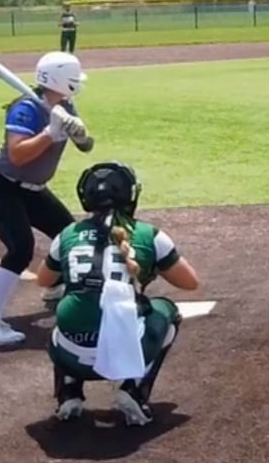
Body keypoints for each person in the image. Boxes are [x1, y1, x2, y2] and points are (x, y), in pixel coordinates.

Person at [35, 161, 200, 426]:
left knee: (69, 304)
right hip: (120, 353)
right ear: (130, 195)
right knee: (166, 310)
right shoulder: (148, 234)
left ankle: (69, 390)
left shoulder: (67, 235)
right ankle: (134, 389)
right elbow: (190, 282)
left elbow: (43, 280)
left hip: (69, 354)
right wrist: (151, 266)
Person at [0, 50, 92, 347]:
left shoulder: (65, 106)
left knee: (69, 235)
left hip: (32, 190)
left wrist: (80, 134)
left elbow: (87, 145)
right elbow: (17, 155)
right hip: (0, 187)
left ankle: (54, 286)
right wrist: (50, 133)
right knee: (21, 249)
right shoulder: (26, 108)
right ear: (62, 79)